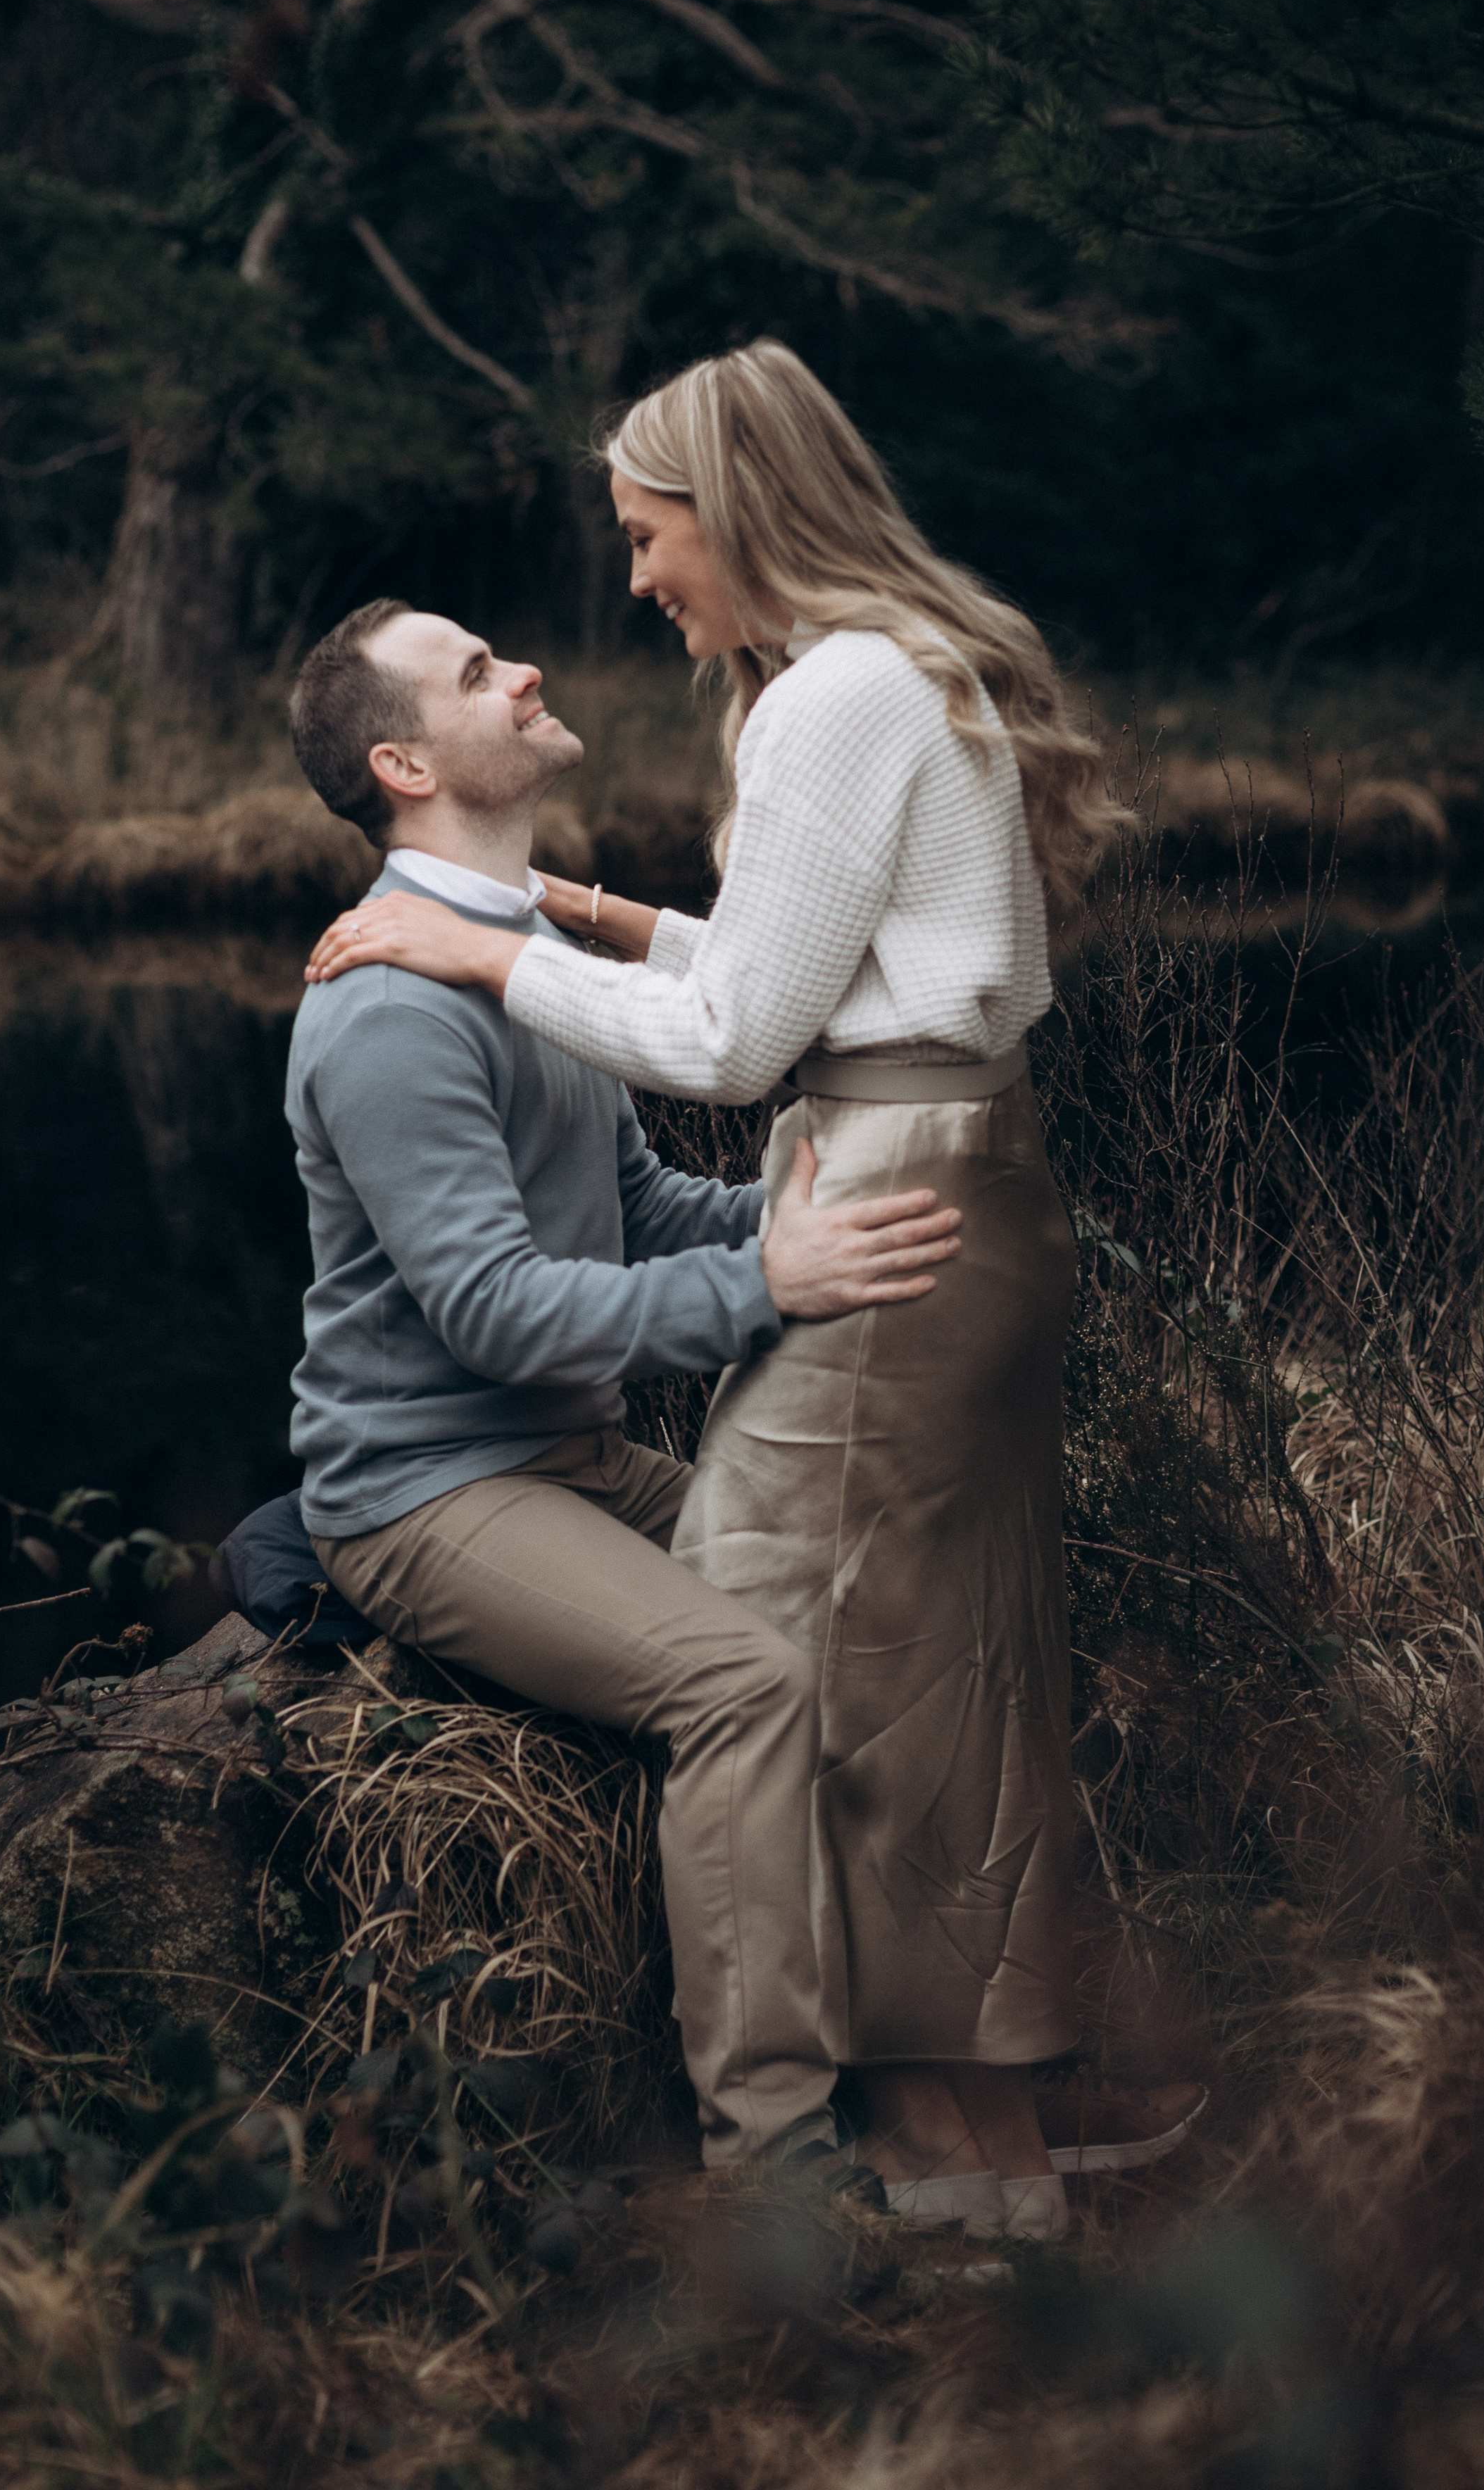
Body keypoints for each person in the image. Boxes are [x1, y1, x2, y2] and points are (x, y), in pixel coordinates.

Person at [305, 341, 1202, 2239]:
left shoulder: (825, 702)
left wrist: (525, 970)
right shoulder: (881, 679)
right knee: (906, 1663)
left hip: (901, 1172)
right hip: (906, 1179)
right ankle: (929, 2129)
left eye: (645, 536)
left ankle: (948, 2144)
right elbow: (760, 1028)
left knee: (855, 1665)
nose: (619, 595)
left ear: (734, 513)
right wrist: (583, 958)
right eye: (481, 668)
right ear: (405, 764)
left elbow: (715, 1064)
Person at [282, 594, 967, 2192]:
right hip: (425, 1494)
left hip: (568, 1461)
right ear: (401, 762)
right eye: (474, 673)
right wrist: (763, 1292)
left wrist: (822, 1223)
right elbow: (500, 1314)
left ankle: (929, 2102)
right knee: (741, 1684)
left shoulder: (519, 948)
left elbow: (643, 1203)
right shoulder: (387, 1008)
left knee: (866, 1622)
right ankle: (778, 2178)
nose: (522, 670)